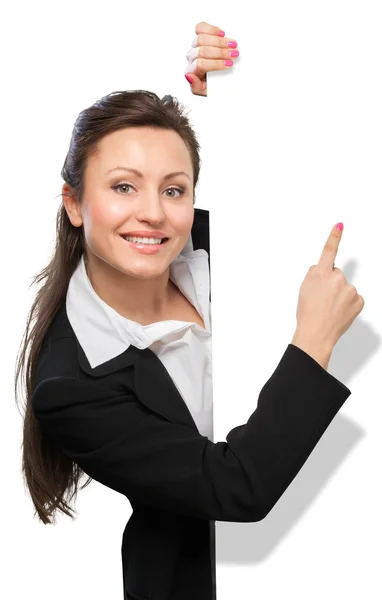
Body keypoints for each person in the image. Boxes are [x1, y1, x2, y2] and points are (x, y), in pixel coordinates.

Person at [15, 20, 364, 600]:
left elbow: (298, 171)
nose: (153, 213)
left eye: (174, 190)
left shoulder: (208, 243)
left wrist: (234, 95)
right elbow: (235, 489)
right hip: (205, 580)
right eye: (123, 187)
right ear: (74, 203)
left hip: (331, 541)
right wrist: (314, 341)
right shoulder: (68, 384)